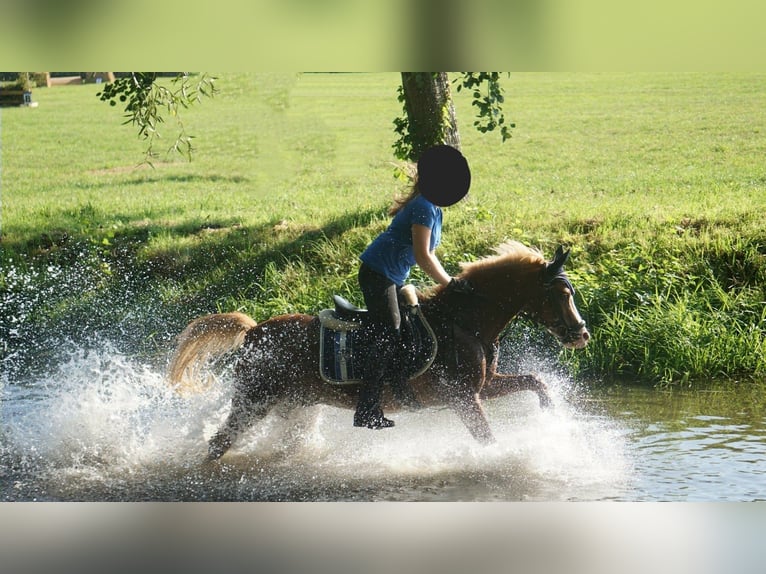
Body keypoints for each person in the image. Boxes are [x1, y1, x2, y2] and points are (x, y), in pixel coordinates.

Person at [354, 144, 473, 429]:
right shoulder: (423, 206)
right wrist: (450, 283)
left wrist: (450, 281)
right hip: (377, 273)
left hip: (392, 276)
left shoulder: (432, 208)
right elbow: (423, 256)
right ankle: (366, 409)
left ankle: (397, 385)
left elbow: (426, 255)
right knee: (389, 330)